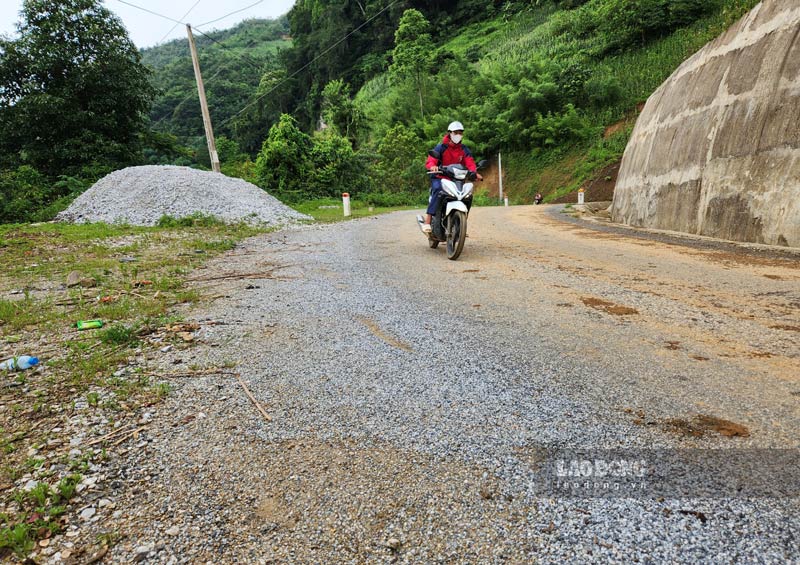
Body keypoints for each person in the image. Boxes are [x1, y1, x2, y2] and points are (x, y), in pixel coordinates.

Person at [422, 121, 483, 233]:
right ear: (449, 133)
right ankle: (428, 220)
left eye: (460, 132)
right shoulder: (441, 147)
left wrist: (474, 172)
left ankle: (460, 224)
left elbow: (470, 162)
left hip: (456, 179)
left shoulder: (464, 149)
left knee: (467, 196)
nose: (458, 135)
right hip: (440, 176)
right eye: (455, 132)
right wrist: (433, 166)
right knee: (438, 190)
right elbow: (431, 160)